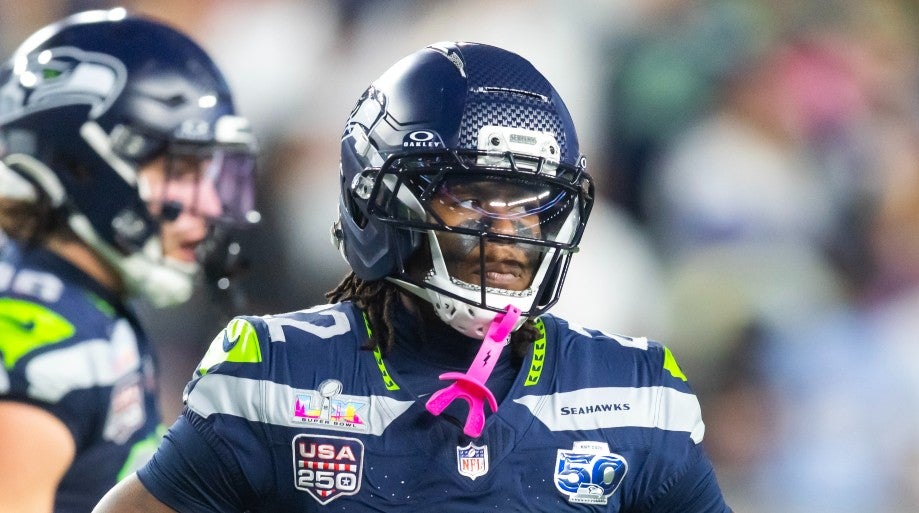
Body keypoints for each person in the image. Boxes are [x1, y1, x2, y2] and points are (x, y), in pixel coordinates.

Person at [93, 42, 732, 512]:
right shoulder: (277, 376)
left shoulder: (637, 393)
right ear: (382, 204)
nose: (508, 231)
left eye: (532, 199)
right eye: (475, 194)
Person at [0, 8, 258, 513]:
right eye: (180, 169)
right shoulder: (46, 345)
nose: (208, 203)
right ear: (82, 163)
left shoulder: (82, 302)